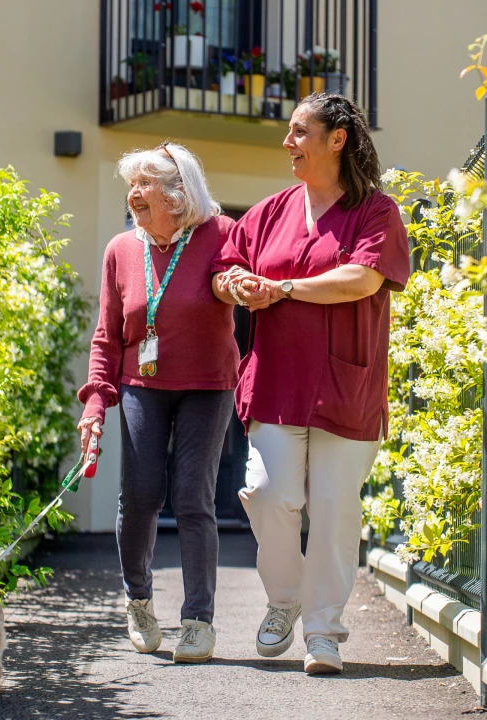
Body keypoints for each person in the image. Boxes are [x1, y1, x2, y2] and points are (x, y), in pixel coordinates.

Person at [211, 93, 409, 674]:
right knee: (268, 494)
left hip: (347, 385)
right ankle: (284, 601)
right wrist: (237, 288)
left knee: (332, 509)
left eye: (299, 132)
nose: (288, 142)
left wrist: (286, 288)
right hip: (275, 381)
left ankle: (323, 631)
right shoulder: (269, 212)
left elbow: (363, 278)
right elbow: (225, 272)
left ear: (337, 139)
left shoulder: (376, 211)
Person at [78, 142, 238, 663]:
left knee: (194, 496)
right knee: (142, 494)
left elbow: (241, 280)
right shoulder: (121, 249)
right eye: (132, 184)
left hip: (207, 384)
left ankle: (198, 620)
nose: (134, 194)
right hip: (140, 384)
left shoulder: (221, 234)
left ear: (178, 191)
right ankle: (139, 600)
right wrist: (95, 405)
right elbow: (106, 337)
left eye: (145, 184)